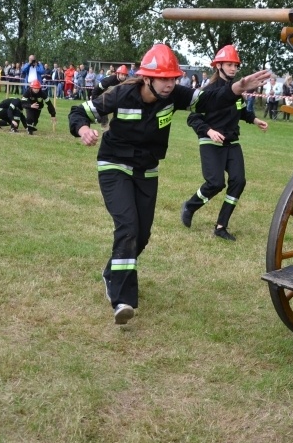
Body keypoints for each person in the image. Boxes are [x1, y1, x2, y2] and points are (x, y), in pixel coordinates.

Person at [68, 43, 270, 324]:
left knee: (143, 234)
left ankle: (113, 270)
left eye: (173, 78)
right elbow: (79, 111)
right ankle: (122, 300)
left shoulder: (175, 95)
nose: (169, 84)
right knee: (127, 226)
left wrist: (236, 89)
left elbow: (208, 102)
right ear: (147, 77)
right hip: (114, 165)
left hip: (147, 170)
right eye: (163, 78)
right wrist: (83, 128)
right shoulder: (122, 93)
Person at [181, 44, 269, 241]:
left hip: (231, 141)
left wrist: (255, 120)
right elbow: (193, 118)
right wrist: (209, 131)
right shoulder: (208, 91)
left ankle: (221, 226)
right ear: (218, 66)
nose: (233, 69)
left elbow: (242, 111)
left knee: (239, 181)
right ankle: (190, 206)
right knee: (216, 183)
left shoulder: (237, 91)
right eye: (229, 64)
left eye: (235, 65)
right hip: (210, 142)